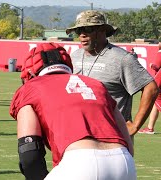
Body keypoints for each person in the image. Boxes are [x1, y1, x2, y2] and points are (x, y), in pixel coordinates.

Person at [9, 42, 136, 180]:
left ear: (30, 73)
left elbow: (30, 155)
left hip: (80, 164)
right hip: (123, 163)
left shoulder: (30, 89)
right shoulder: (96, 85)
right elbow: (128, 143)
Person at [66, 10, 159, 136]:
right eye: (79, 30)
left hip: (112, 139)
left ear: (102, 30)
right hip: (80, 135)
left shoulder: (121, 58)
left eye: (87, 29)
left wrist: (135, 125)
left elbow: (151, 88)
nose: (82, 34)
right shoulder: (75, 56)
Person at [139, 42, 161, 134]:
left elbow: (157, 66)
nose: (158, 43)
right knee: (156, 105)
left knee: (156, 100)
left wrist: (151, 65)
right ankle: (150, 128)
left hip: (159, 82)